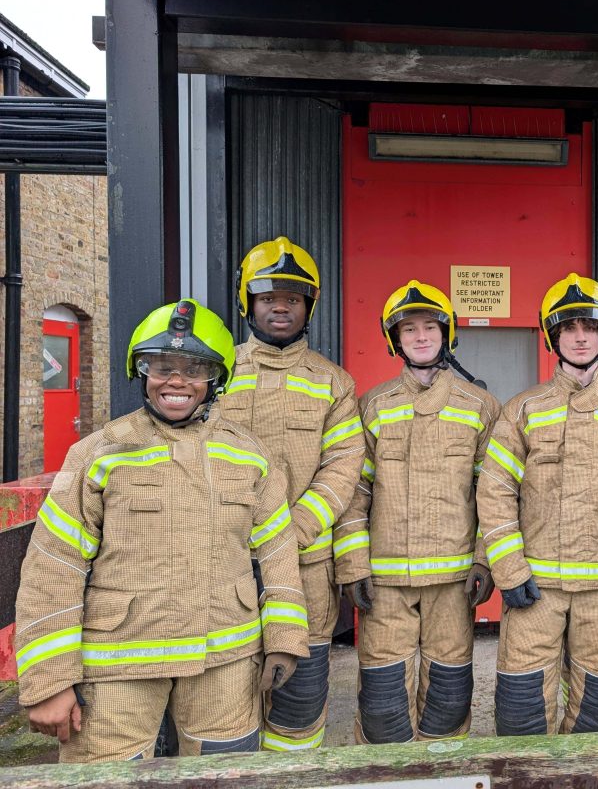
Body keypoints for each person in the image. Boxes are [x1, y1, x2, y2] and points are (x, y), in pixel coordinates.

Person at [14, 299, 308, 761]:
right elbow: (54, 565)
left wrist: (285, 638)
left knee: (227, 775)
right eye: (161, 366)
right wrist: (49, 680)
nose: (176, 380)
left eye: (194, 368)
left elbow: (278, 550)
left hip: (226, 665)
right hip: (118, 667)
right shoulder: (99, 453)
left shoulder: (249, 455)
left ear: (217, 379)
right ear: (141, 373)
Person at [477, 273, 598, 736]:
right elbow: (496, 490)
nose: (580, 337)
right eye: (568, 328)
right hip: (534, 589)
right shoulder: (523, 410)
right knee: (521, 713)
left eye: (589, 327)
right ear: (552, 336)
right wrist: (510, 570)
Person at [334, 280, 499, 743]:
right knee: (383, 706)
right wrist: (352, 565)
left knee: (447, 700)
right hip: (385, 585)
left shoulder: (480, 407)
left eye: (430, 327)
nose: (421, 337)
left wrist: (486, 560)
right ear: (395, 341)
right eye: (409, 330)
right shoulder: (373, 407)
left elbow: (496, 494)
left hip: (453, 584)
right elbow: (354, 493)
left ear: (448, 334)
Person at [216, 236, 364, 752]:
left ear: (309, 307)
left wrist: (289, 531)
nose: (281, 306)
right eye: (267, 298)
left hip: (305, 567)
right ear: (247, 303)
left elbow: (343, 468)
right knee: (223, 702)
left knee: (300, 705)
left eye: (293, 299)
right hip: (224, 566)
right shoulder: (216, 373)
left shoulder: (333, 383)